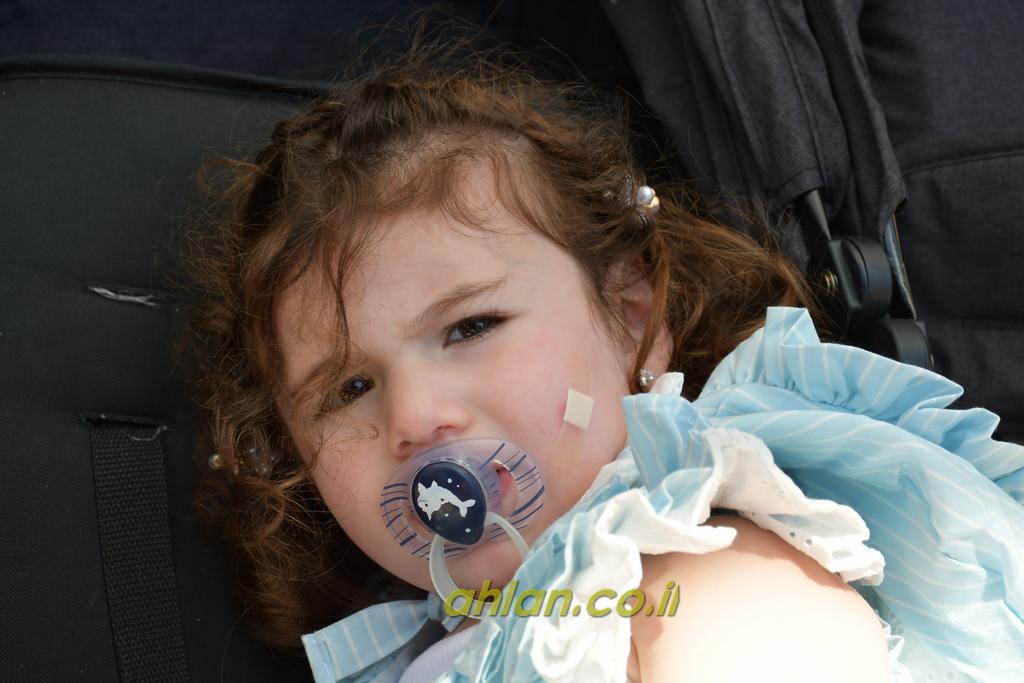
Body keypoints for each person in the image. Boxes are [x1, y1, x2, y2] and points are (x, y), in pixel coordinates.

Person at [183, 32, 1024, 683]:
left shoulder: (702, 569)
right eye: (349, 388)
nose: (412, 415)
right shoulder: (431, 642)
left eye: (470, 328)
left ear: (632, 319)